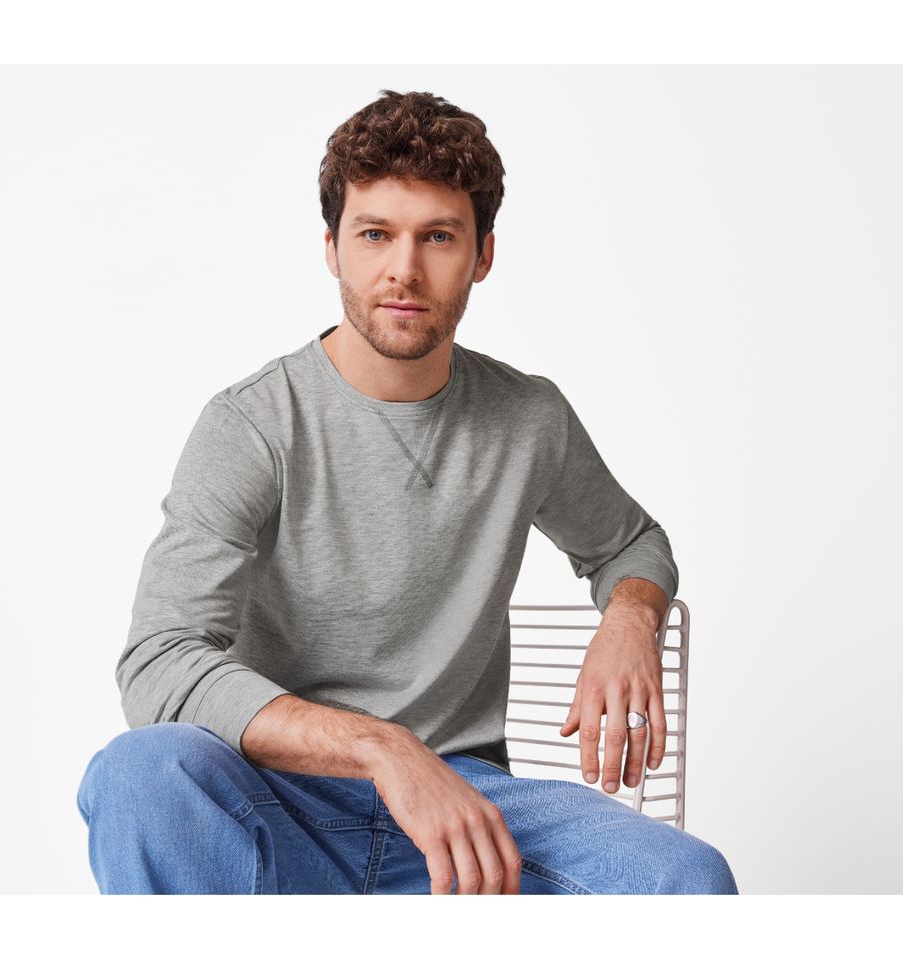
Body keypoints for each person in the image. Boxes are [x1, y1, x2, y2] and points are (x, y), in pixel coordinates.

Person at [75, 89, 738, 895]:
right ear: (332, 248)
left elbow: (631, 543)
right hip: (283, 800)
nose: (404, 269)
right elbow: (160, 662)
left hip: (468, 811)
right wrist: (384, 750)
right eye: (376, 234)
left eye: (439, 237)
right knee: (141, 774)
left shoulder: (527, 419)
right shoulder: (252, 425)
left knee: (685, 880)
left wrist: (630, 617)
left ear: (483, 254)